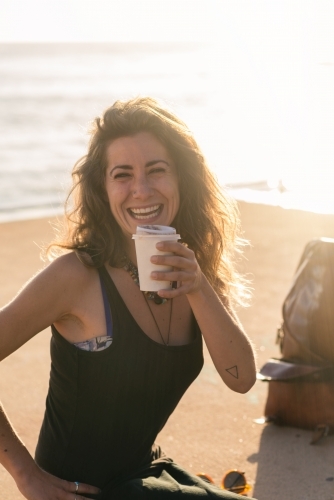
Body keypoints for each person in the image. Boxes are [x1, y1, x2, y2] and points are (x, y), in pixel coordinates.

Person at [0, 97, 257, 499]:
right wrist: (25, 474)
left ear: (181, 180)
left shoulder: (194, 273)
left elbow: (241, 379)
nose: (141, 190)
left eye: (157, 170)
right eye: (122, 175)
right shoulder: (77, 275)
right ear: (103, 190)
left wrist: (199, 287)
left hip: (145, 478)